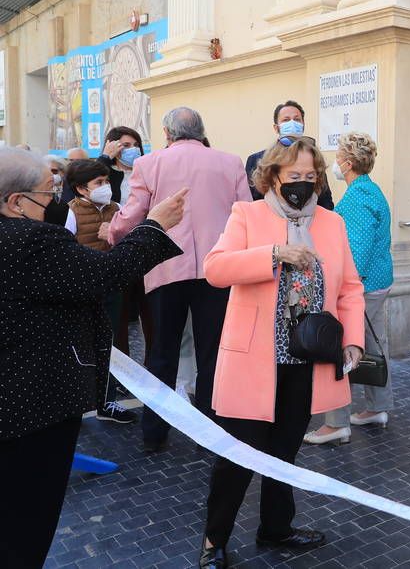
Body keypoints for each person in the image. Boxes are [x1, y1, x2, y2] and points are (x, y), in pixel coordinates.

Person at [0, 147, 185, 568]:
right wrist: (154, 225)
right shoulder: (28, 240)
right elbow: (105, 273)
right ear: (14, 202)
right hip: (31, 406)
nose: (56, 204)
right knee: (25, 523)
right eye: (47, 194)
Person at [199, 135, 365, 568]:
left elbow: (350, 288)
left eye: (311, 177)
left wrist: (352, 339)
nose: (303, 185)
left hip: (305, 361)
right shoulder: (247, 215)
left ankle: (276, 528)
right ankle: (214, 541)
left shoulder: (332, 223)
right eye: (294, 176)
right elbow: (215, 269)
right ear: (272, 177)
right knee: (237, 456)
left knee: (285, 454)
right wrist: (273, 254)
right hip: (253, 361)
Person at [109, 107, 250, 453]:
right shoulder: (231, 163)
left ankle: (154, 433)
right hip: (218, 270)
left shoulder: (148, 164)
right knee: (212, 352)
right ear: (201, 132)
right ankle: (211, 430)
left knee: (162, 352)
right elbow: (245, 214)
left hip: (166, 267)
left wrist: (112, 233)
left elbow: (131, 217)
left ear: (168, 134)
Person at [305, 132, 394, 445]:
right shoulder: (371, 190)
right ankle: (378, 408)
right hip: (377, 283)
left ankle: (336, 422)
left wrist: (334, 289)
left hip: (360, 288)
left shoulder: (356, 199)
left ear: (349, 162)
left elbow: (354, 254)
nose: (335, 163)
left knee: (340, 350)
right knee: (374, 345)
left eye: (339, 156)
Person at [64, 159, 137, 424]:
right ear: (82, 189)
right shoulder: (69, 213)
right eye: (99, 183)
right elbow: (64, 252)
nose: (105, 186)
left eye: (107, 181)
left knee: (110, 343)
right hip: (83, 291)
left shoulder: (116, 208)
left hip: (111, 287)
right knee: (81, 346)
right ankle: (75, 404)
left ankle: (107, 402)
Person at [244, 101, 334, 210]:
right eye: (286, 120)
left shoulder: (313, 157)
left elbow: (325, 200)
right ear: (276, 128)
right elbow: (251, 200)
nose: (292, 123)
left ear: (303, 125)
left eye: (297, 119)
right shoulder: (257, 160)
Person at [60, 127, 144, 205]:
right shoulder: (106, 174)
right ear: (112, 147)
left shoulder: (146, 172)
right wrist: (105, 157)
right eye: (126, 145)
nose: (134, 149)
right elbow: (74, 187)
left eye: (136, 145)